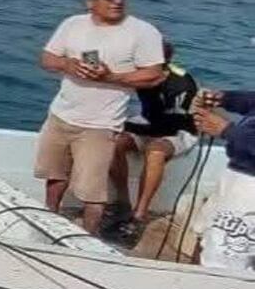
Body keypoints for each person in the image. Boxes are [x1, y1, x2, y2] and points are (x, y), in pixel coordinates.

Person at [36, 0, 165, 235]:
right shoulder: (72, 24)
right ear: (90, 2)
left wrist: (111, 77)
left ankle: (89, 238)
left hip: (100, 124)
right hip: (61, 115)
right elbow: (47, 58)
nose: (117, 1)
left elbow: (154, 73)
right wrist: (68, 64)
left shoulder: (143, 31)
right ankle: (48, 222)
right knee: (55, 174)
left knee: (93, 191)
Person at [108, 40, 198, 232]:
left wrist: (126, 125)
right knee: (114, 143)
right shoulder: (138, 75)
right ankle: (122, 202)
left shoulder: (181, 83)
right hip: (149, 123)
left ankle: (140, 214)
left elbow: (168, 123)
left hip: (178, 131)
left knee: (155, 150)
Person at [188, 89, 255, 271]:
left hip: (249, 189)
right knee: (207, 238)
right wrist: (225, 98)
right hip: (235, 178)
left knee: (224, 260)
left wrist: (228, 131)